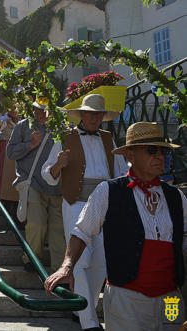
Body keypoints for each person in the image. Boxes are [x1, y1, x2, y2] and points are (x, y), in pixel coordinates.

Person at [44, 121, 185, 331]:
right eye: (152, 150)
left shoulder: (176, 196)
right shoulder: (108, 191)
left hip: (170, 301)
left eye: (163, 151)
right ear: (130, 156)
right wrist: (67, 266)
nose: (160, 156)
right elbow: (82, 231)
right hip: (127, 299)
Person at [41, 94, 128, 331]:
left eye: (98, 114)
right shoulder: (65, 137)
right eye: (89, 113)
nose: (94, 117)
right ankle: (89, 322)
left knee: (101, 260)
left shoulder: (110, 139)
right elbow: (46, 175)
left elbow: (121, 171)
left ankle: (81, 307)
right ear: (81, 114)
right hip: (75, 202)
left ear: (102, 116)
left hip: (106, 203)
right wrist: (59, 164)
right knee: (79, 260)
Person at [6, 101, 65, 273]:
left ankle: (59, 270)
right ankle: (31, 259)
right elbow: (10, 153)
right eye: (39, 109)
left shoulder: (62, 127)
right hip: (32, 182)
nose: (41, 113)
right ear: (32, 108)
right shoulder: (23, 126)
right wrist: (30, 145)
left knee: (58, 230)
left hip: (57, 186)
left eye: (45, 109)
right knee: (37, 223)